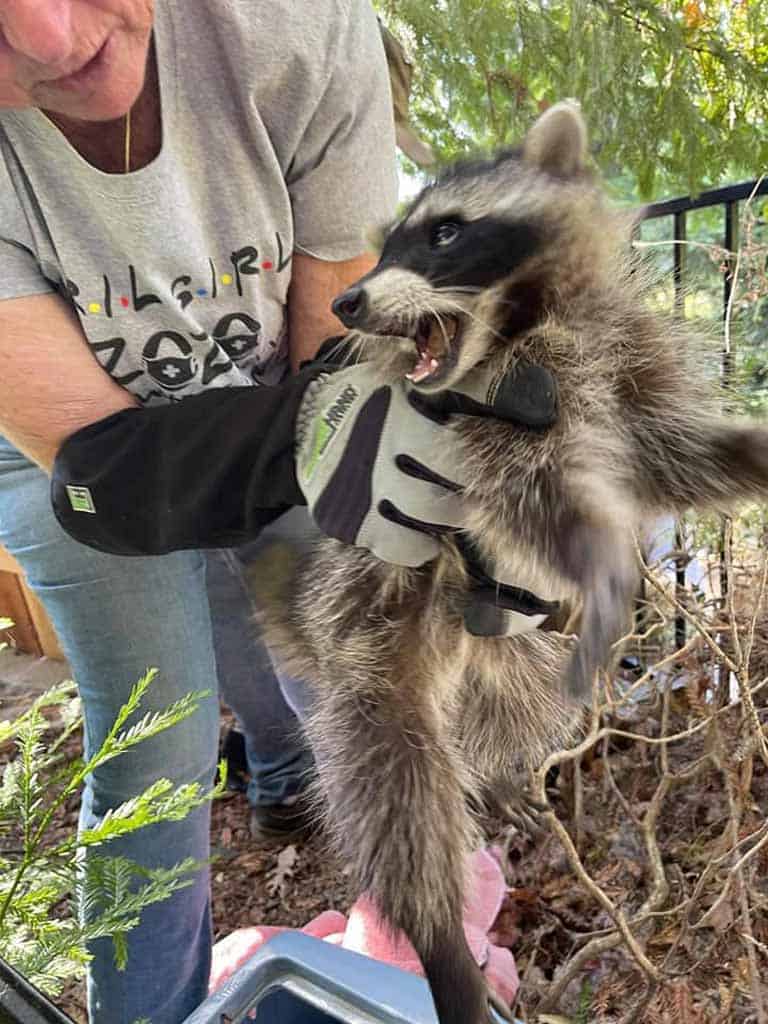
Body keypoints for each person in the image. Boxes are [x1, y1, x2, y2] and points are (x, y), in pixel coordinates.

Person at [0, 3, 557, 1022]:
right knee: (155, 736)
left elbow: (329, 367)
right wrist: (332, 438)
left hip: (273, 379)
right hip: (62, 453)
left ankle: (304, 796)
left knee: (330, 643)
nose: (48, 37)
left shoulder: (294, 25)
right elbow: (103, 478)